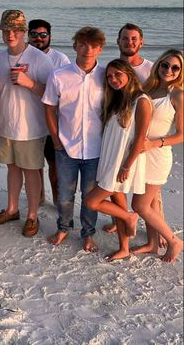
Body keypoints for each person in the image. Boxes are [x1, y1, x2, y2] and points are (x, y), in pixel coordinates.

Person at [0, 10, 54, 237]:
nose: (10, 34)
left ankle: (32, 215)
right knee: (12, 168)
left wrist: (30, 83)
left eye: (16, 30)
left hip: (31, 128)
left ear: (24, 32)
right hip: (5, 125)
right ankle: (12, 209)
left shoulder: (39, 59)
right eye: (6, 30)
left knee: (31, 171)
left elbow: (52, 95)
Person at [43, 27, 106, 252]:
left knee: (90, 196)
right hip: (66, 147)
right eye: (83, 44)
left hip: (96, 149)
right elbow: (49, 108)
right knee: (65, 193)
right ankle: (63, 228)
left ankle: (88, 234)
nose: (87, 50)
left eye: (93, 45)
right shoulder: (59, 75)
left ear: (100, 49)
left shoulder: (107, 76)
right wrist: (56, 139)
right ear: (75, 46)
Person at [84, 60, 151, 261]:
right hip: (110, 158)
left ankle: (129, 217)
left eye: (117, 74)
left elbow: (140, 138)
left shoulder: (142, 100)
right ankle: (124, 248)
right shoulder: (117, 99)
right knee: (117, 203)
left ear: (129, 73)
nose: (113, 79)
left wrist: (126, 165)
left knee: (91, 201)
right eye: (109, 76)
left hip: (121, 163)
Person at [102, 23, 155, 235]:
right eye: (125, 38)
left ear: (141, 42)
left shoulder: (151, 70)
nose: (129, 42)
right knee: (117, 189)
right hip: (119, 138)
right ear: (118, 41)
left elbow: (159, 101)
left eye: (134, 39)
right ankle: (120, 220)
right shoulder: (112, 69)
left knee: (150, 192)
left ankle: (154, 234)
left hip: (143, 141)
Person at [131, 49, 184, 262]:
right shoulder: (148, 87)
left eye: (175, 67)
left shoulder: (178, 94)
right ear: (158, 65)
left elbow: (181, 134)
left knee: (139, 205)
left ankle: (173, 241)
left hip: (158, 154)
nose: (168, 70)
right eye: (165, 65)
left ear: (181, 71)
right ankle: (153, 244)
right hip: (141, 152)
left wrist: (153, 143)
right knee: (151, 202)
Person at [28, 19, 70, 205]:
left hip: (54, 122)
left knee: (55, 165)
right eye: (34, 34)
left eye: (43, 35)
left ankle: (57, 199)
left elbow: (67, 93)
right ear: (28, 35)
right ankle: (39, 198)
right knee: (34, 164)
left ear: (49, 36)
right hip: (30, 120)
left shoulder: (60, 59)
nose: (39, 38)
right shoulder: (24, 56)